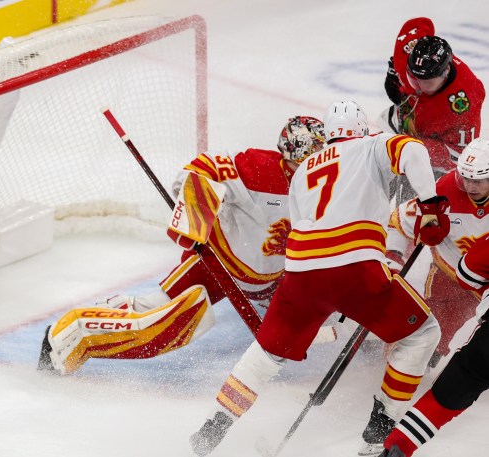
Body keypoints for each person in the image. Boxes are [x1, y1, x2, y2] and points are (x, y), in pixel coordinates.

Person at [189, 101, 448, 457]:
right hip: (356, 269)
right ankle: (381, 429)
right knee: (423, 333)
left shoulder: (304, 169)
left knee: (266, 354)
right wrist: (431, 205)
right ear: (360, 129)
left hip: (300, 274)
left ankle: (214, 427)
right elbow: (412, 149)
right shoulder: (370, 145)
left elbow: (306, 227)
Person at [37, 116, 332, 375]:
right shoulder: (258, 169)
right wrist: (194, 215)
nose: (320, 161)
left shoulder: (328, 183)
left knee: (329, 310)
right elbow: (202, 169)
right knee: (167, 323)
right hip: (218, 265)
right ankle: (72, 336)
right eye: (313, 154)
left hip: (276, 280)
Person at [379, 214, 489, 457]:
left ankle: (397, 445)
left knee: (448, 393)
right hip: (444, 284)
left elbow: (468, 273)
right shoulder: (448, 188)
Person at [387, 137, 489, 367]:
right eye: (466, 179)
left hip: (486, 281)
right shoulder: (444, 191)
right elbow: (398, 221)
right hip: (450, 277)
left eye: (478, 180)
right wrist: (392, 257)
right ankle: (404, 367)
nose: (470, 187)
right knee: (429, 335)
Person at [380, 17, 485, 202]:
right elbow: (421, 23)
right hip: (406, 127)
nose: (417, 86)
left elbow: (457, 156)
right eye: (413, 78)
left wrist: (414, 148)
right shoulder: (406, 51)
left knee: (411, 208)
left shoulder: (464, 104)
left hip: (433, 151)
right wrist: (396, 80)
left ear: (444, 73)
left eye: (426, 82)